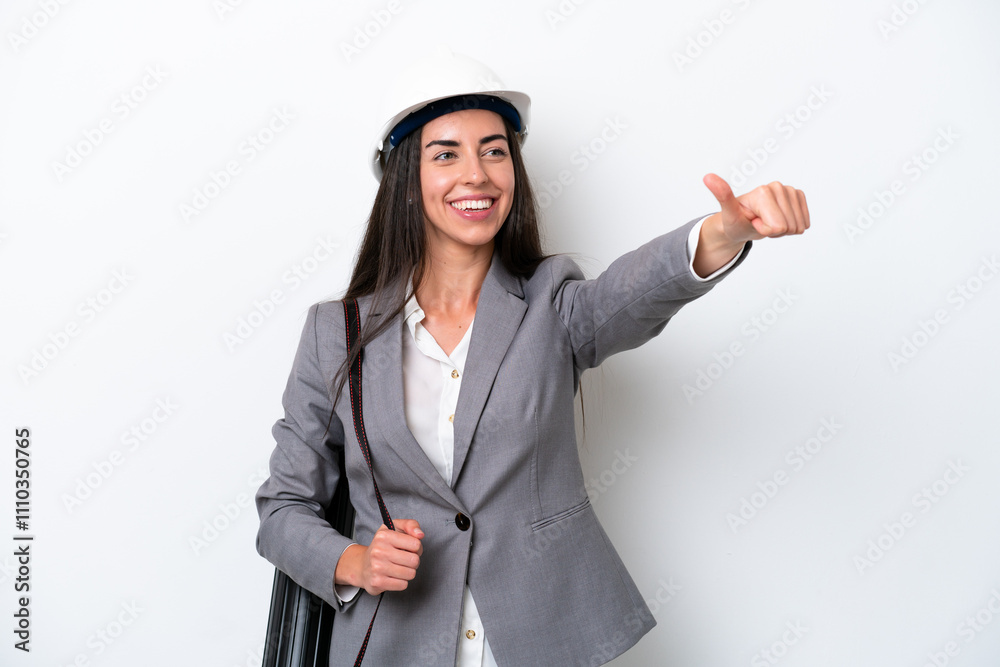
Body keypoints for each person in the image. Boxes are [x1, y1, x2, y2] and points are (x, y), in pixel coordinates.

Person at [255, 49, 809, 666]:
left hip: (543, 640)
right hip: (396, 647)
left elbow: (628, 295)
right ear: (405, 176)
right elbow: (283, 508)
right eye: (447, 154)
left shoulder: (551, 303)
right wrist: (353, 560)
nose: (478, 174)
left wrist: (719, 235)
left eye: (494, 150)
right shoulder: (337, 332)